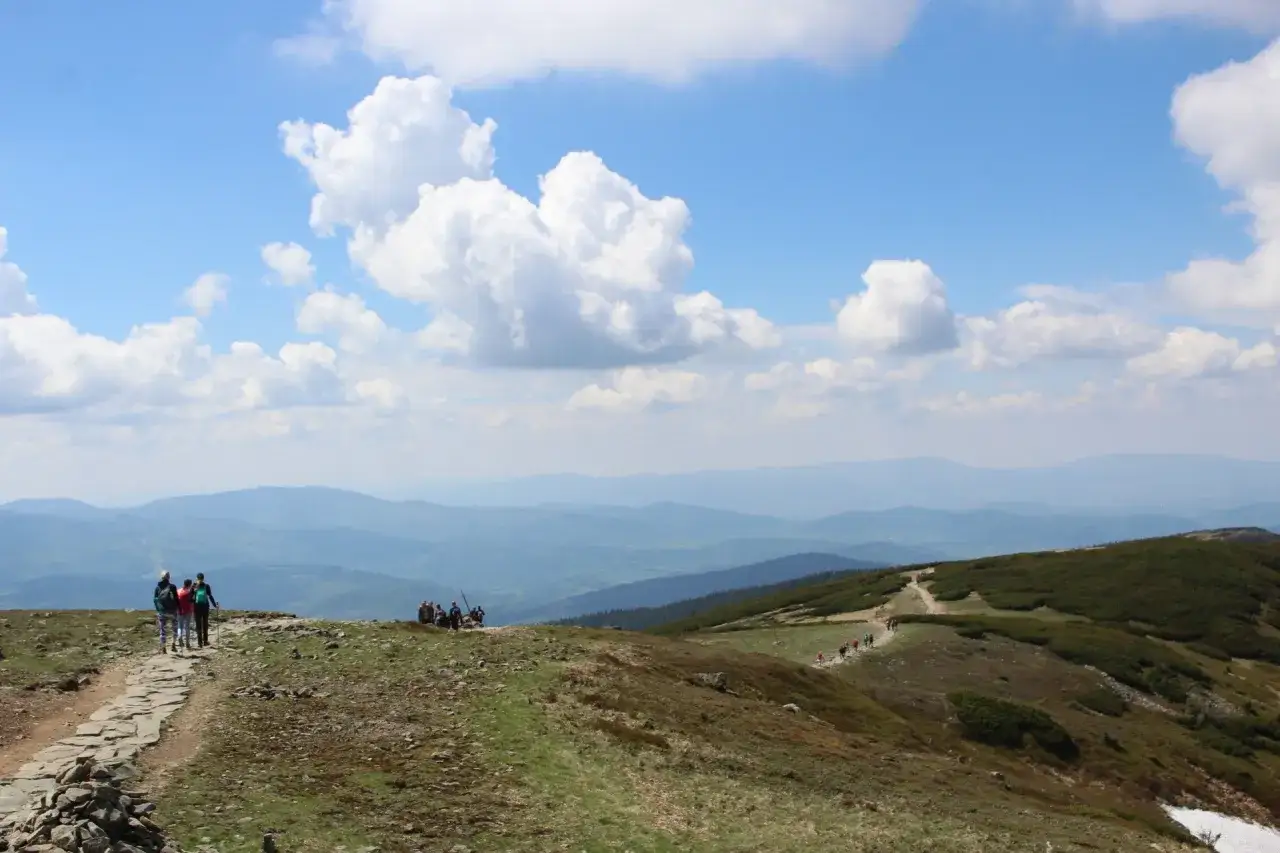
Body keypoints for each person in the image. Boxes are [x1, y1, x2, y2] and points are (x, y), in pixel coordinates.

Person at [153, 571, 179, 654]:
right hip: (172, 611)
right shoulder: (172, 587)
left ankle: (163, 647)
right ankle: (173, 644)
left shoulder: (157, 588)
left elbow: (155, 600)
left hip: (162, 612)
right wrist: (179, 608)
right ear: (169, 577)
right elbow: (176, 599)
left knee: (162, 630)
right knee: (174, 628)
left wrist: (158, 609)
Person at [193, 572, 219, 648]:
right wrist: (215, 605)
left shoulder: (194, 586)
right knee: (205, 624)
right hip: (205, 607)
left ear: (197, 578)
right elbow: (210, 596)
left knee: (198, 625)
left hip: (197, 607)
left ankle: (199, 643)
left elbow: (191, 598)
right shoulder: (206, 586)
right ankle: (205, 641)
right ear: (203, 578)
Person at [176, 580, 195, 651]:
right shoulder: (189, 592)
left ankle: (179, 637)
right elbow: (192, 600)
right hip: (188, 611)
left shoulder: (178, 591)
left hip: (179, 611)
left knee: (179, 626)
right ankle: (187, 643)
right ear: (189, 585)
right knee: (187, 626)